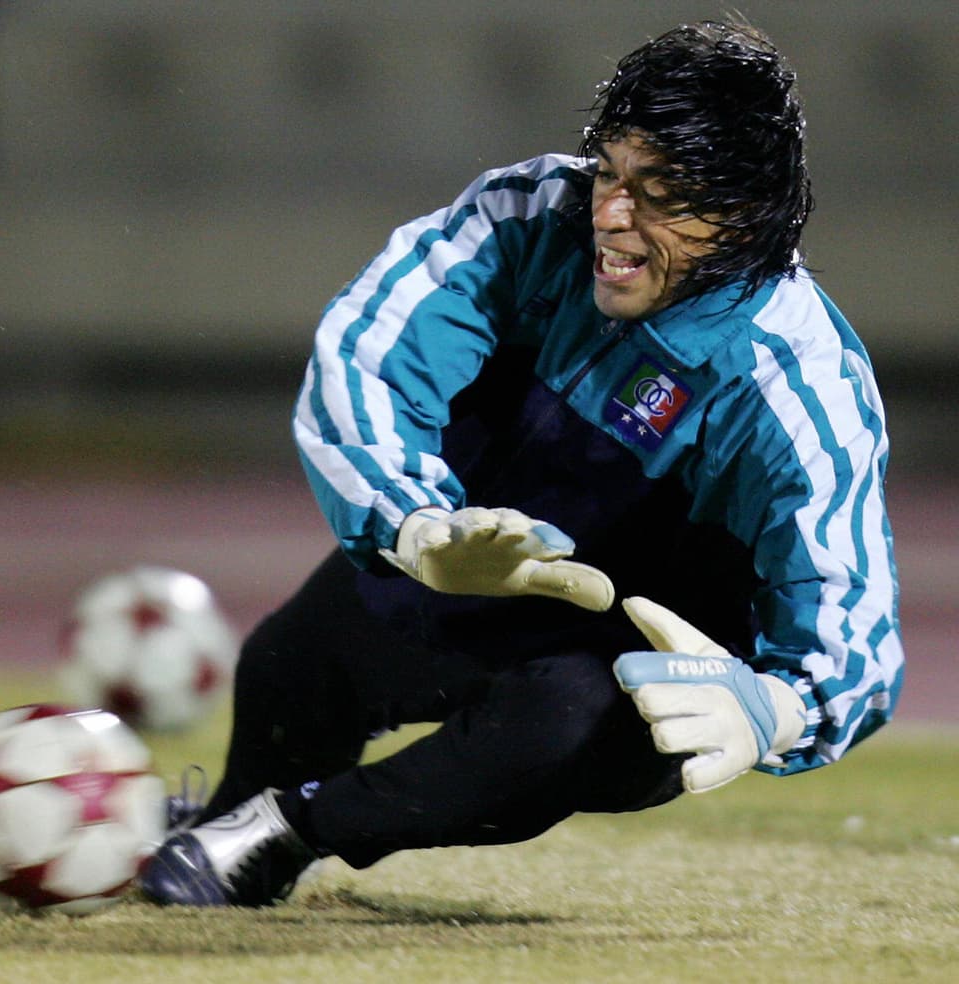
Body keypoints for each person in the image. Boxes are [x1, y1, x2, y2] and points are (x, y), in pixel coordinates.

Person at [140, 20, 904, 907]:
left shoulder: (798, 386)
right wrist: (414, 523)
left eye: (660, 193)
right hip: (480, 579)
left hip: (625, 678)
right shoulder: (529, 217)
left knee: (555, 722)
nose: (611, 214)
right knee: (293, 661)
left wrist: (780, 709)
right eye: (610, 173)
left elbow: (853, 623)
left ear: (744, 215)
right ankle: (224, 827)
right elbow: (369, 356)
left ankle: (293, 831)